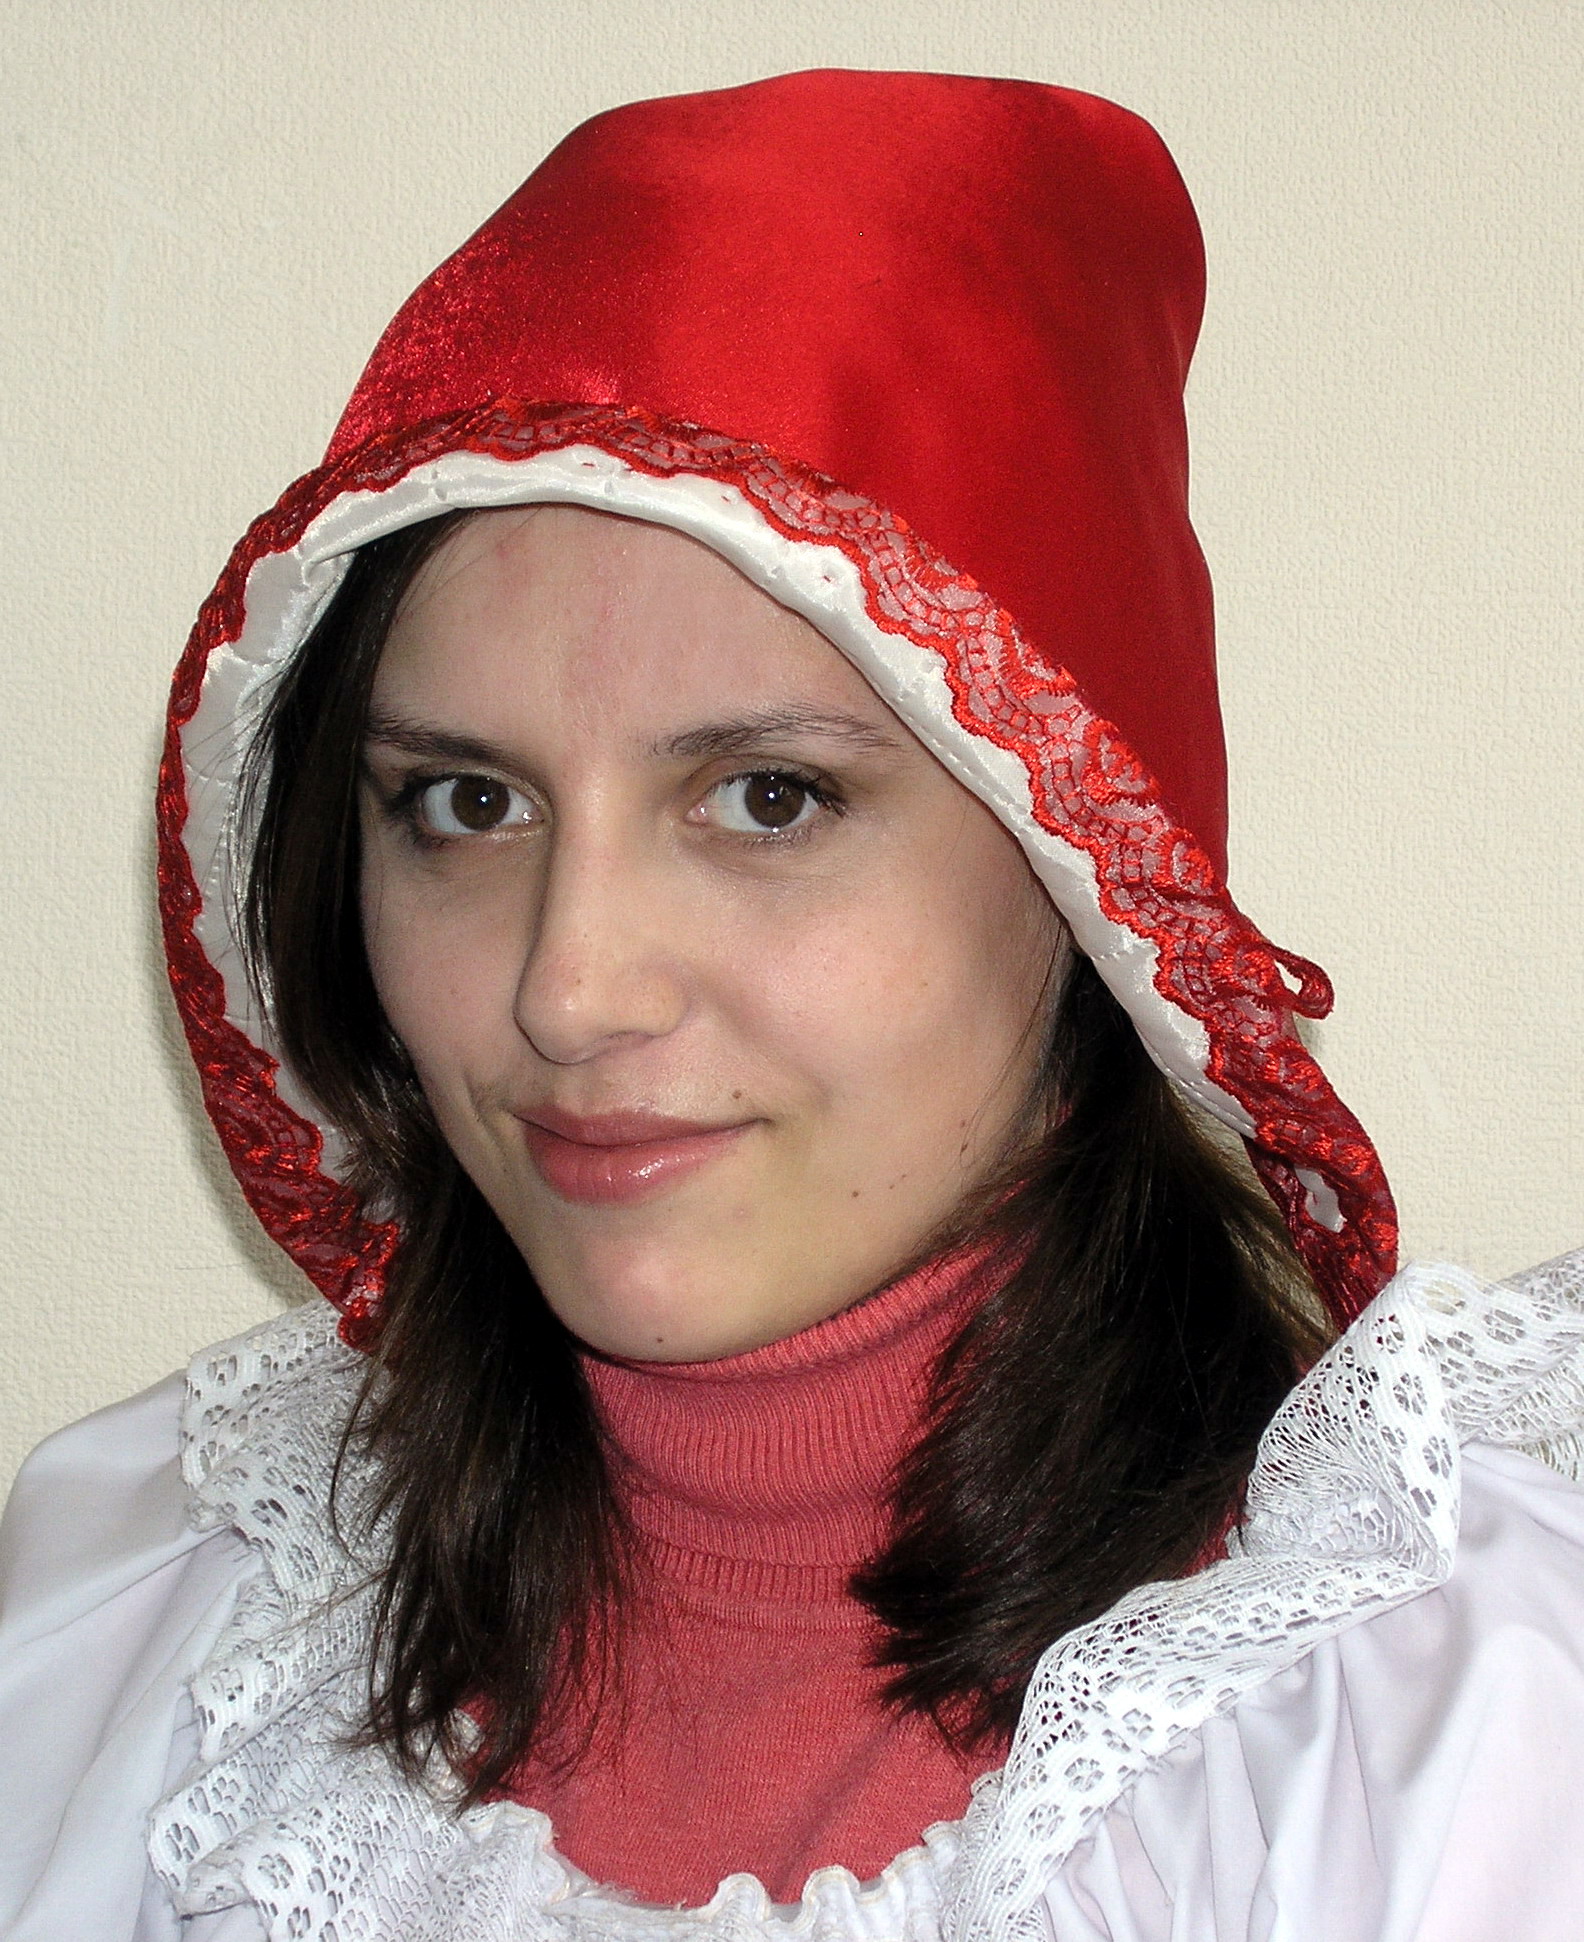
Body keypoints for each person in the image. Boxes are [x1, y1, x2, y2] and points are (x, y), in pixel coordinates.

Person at [1, 67, 1581, 1942]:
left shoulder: (1460, 1730)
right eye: (468, 804)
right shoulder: (147, 1634)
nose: (571, 987)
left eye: (768, 798)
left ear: (1088, 877)